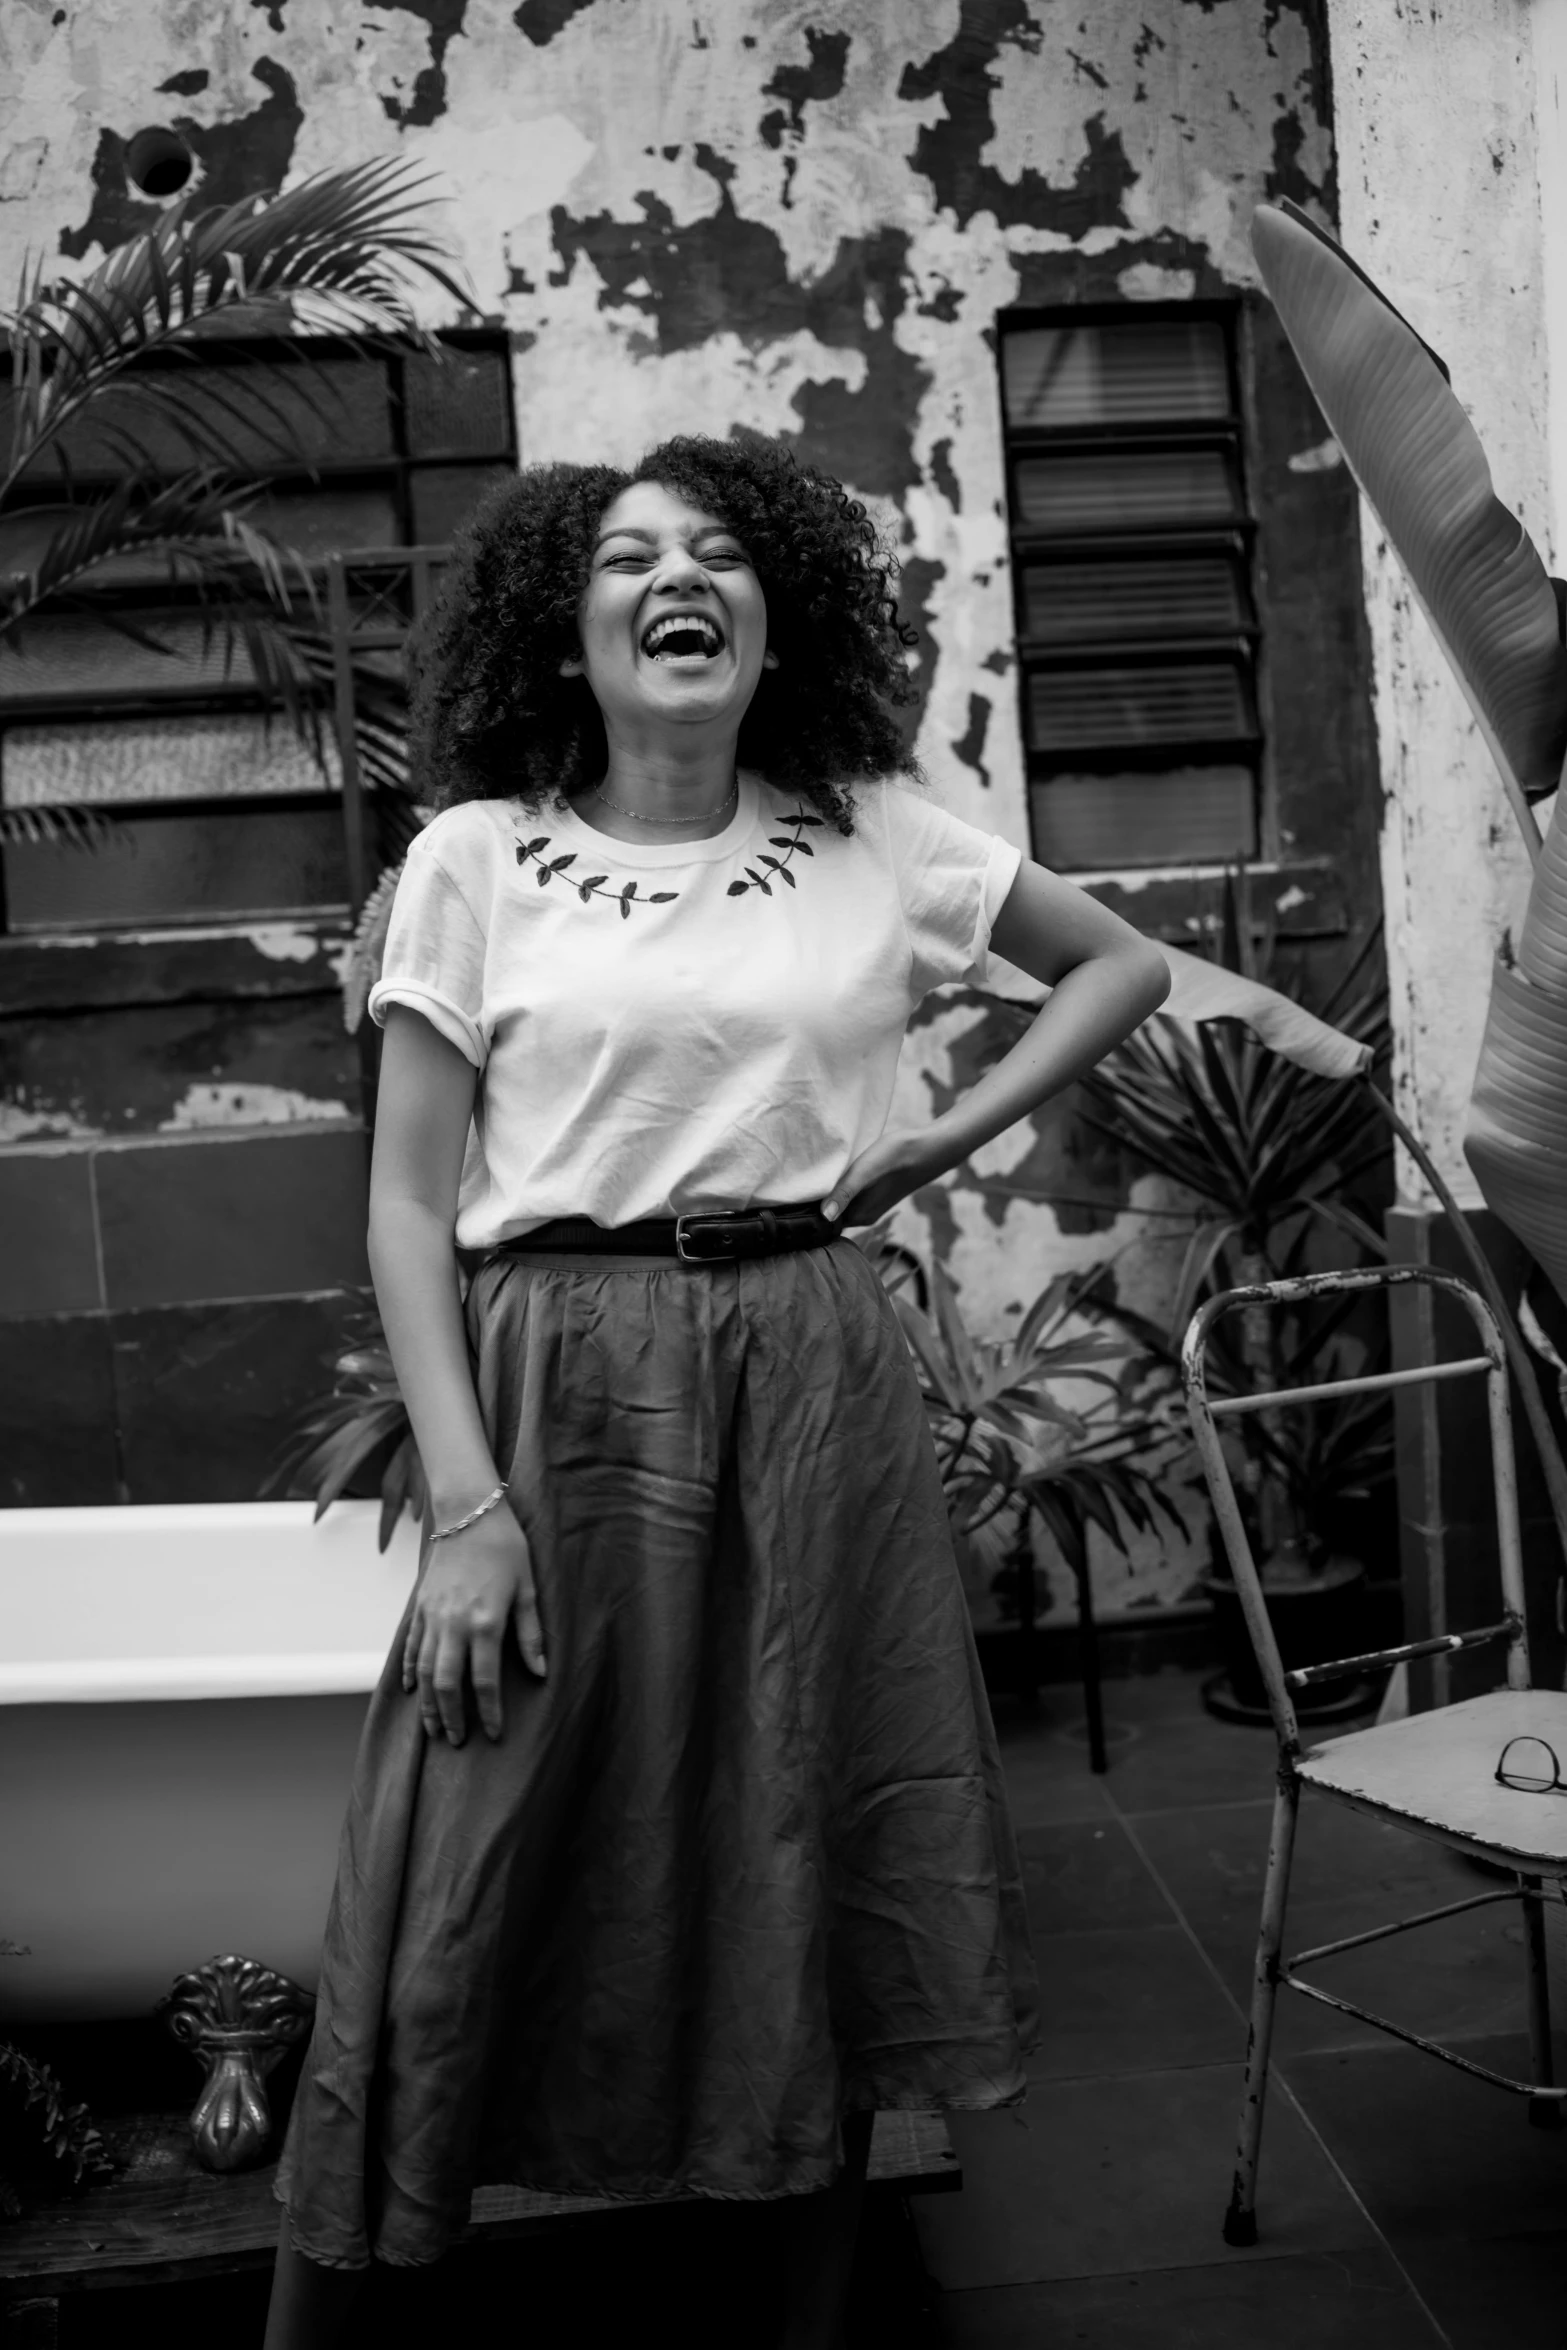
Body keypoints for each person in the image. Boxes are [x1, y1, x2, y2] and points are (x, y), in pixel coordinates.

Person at [263, 432, 1170, 2349]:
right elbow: (410, 1206)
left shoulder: (876, 835)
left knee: (810, 1832)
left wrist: (934, 1145)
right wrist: (467, 1510)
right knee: (459, 1850)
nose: (676, 576)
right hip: (552, 1385)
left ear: (775, 618)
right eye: (622, 555)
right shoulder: (474, 857)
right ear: (563, 627)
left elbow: (1116, 969)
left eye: (718, 551)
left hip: (811, 1374)